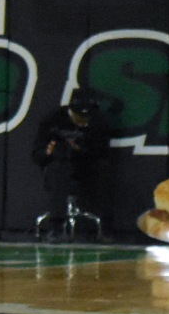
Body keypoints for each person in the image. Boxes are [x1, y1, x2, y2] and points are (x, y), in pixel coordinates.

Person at [32, 95, 112, 241]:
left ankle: (105, 229)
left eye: (87, 118)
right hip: (58, 164)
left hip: (86, 165)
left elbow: (103, 152)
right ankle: (56, 228)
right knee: (58, 171)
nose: (83, 121)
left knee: (105, 173)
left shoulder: (98, 123)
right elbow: (36, 154)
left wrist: (80, 148)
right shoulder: (52, 119)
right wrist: (48, 152)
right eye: (79, 117)